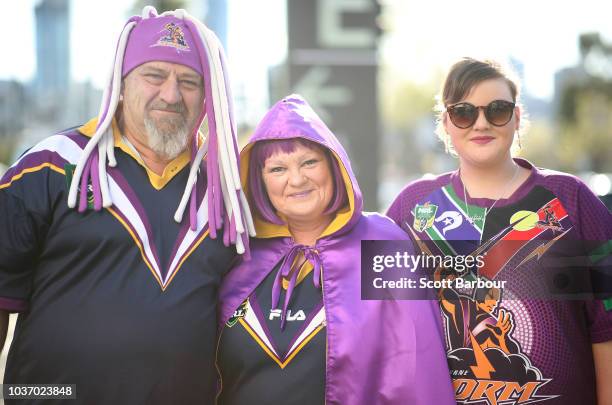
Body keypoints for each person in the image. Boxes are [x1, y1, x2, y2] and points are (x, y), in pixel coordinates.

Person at [0, 6, 253, 404]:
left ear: (208, 95)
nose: (171, 95)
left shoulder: (228, 192)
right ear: (121, 81)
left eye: (188, 81)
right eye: (154, 75)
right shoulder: (52, 164)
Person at [386, 57, 612, 405]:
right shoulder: (412, 207)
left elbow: (606, 327)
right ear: (446, 122)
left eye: (497, 110)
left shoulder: (569, 197)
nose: (481, 124)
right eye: (464, 112)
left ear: (517, 117)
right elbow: (375, 326)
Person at [215, 94, 455, 404]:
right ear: (258, 181)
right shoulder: (238, 251)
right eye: (277, 169)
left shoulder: (383, 245)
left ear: (334, 164)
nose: (297, 179)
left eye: (309, 162)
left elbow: (419, 371)